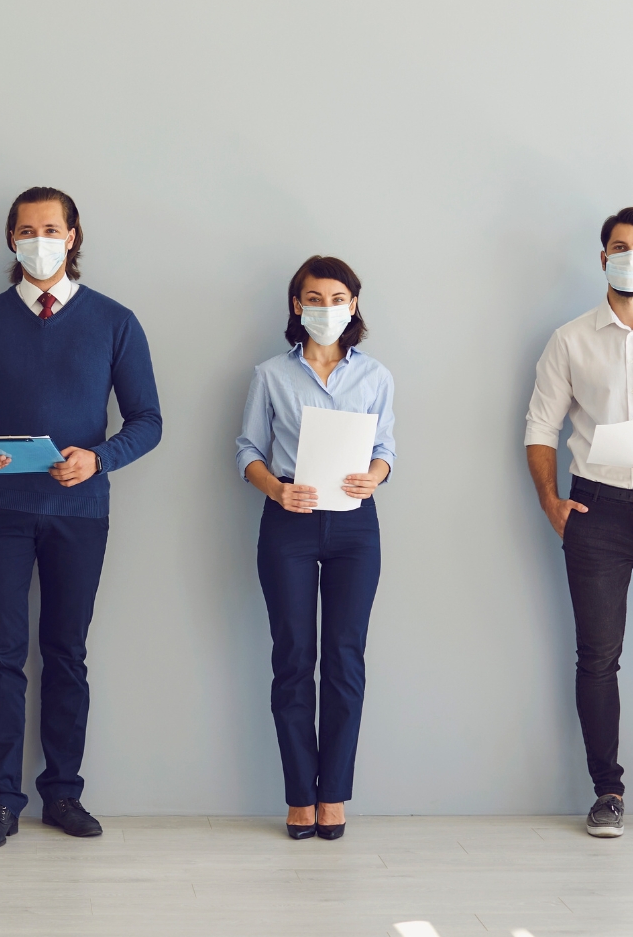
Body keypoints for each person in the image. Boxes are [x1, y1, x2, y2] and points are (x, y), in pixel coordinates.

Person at [0, 186, 162, 849]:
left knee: (67, 653)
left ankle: (62, 793)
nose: (39, 239)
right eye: (26, 229)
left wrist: (99, 458)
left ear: (73, 235)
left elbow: (148, 420)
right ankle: (1, 800)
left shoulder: (115, 323)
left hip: (79, 512)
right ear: (12, 240)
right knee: (0, 657)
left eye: (51, 228)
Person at [525, 206, 633, 838]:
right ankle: (608, 792)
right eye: (619, 247)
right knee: (598, 657)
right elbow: (541, 429)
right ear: (603, 258)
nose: (630, 255)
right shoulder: (570, 339)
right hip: (595, 514)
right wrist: (551, 502)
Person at [236, 255, 395, 840]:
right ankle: (300, 795)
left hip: (355, 526)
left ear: (353, 305)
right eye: (312, 297)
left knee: (345, 661)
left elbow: (388, 449)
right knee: (294, 658)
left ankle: (334, 796)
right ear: (295, 306)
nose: (324, 308)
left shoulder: (375, 377)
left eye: (336, 298)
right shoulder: (270, 375)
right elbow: (247, 450)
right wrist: (277, 489)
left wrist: (375, 475)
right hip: (290, 527)